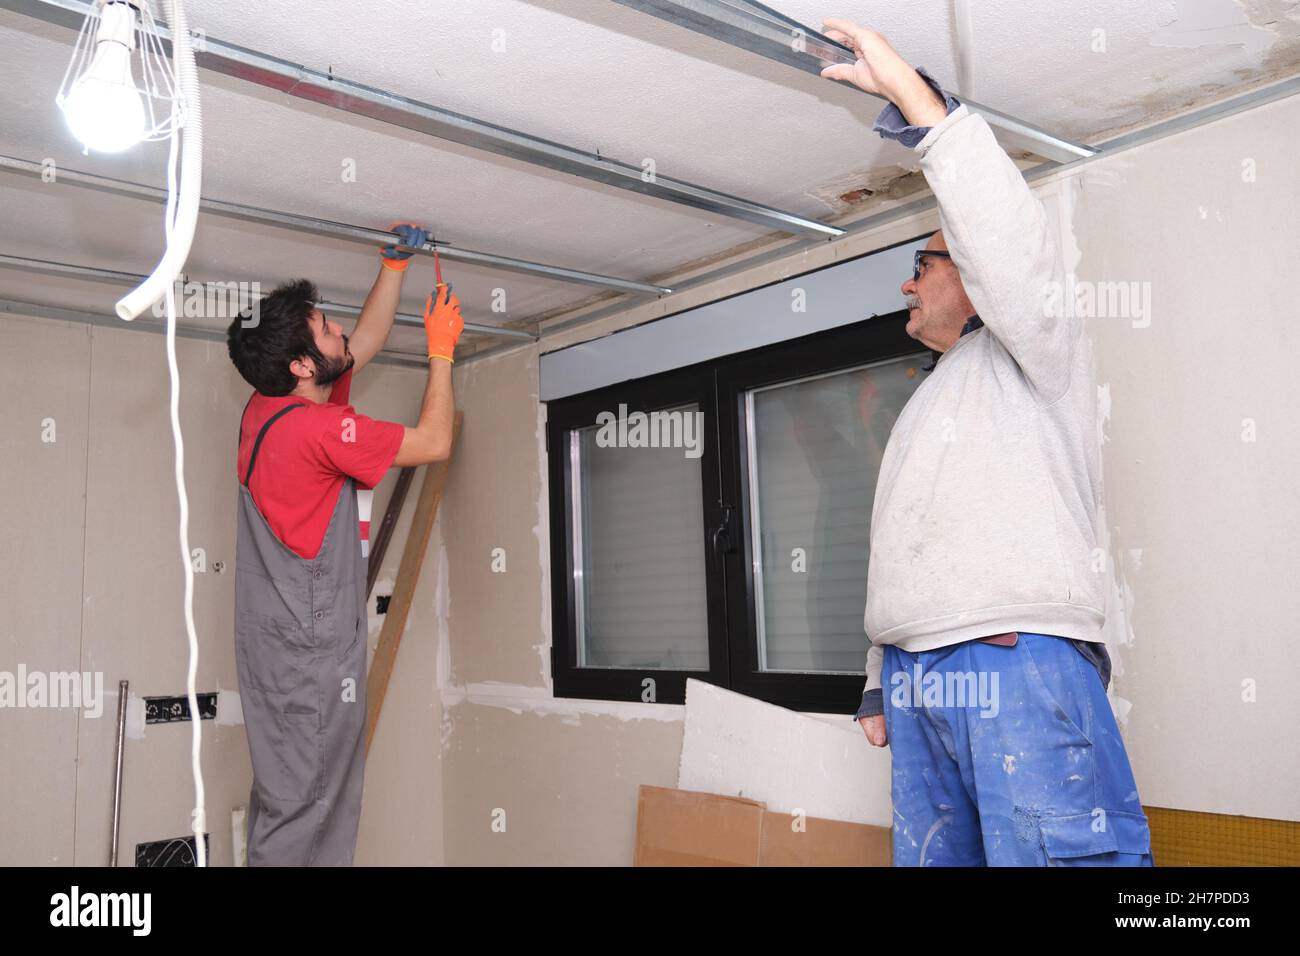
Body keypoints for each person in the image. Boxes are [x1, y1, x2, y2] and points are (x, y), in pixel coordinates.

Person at [821, 21, 1153, 866]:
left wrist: (922, 107)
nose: (907, 280)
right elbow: (908, 542)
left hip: (1016, 660)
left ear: (970, 276)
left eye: (923, 263)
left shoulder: (1038, 352)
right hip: (918, 673)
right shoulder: (930, 403)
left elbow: (1008, 244)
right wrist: (878, 672)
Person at [224, 223, 463, 865]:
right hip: (311, 650)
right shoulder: (322, 432)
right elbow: (435, 442)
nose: (340, 337)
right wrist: (441, 353)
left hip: (275, 644)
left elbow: (362, 344)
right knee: (314, 803)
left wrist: (393, 267)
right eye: (327, 330)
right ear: (303, 365)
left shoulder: (266, 406)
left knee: (290, 795)